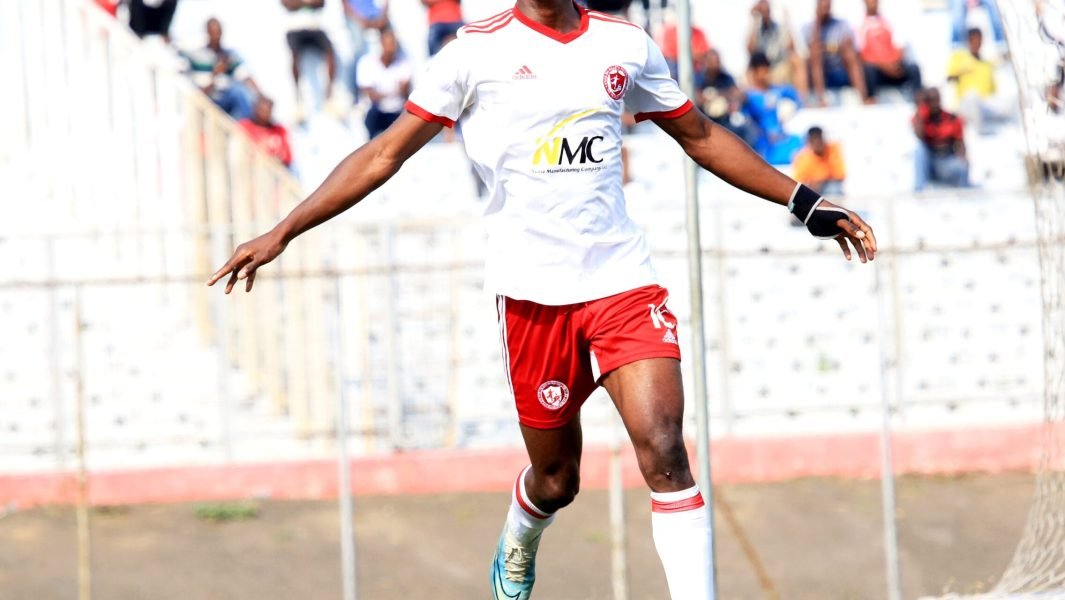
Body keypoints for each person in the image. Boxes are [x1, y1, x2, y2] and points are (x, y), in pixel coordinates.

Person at [206, 3, 876, 600]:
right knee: (558, 480)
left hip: (621, 282)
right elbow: (384, 154)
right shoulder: (474, 53)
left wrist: (803, 201)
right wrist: (283, 230)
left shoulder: (625, 45)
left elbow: (698, 134)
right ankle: (524, 529)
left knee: (664, 446)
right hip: (532, 299)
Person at [184, 18, 261, 121]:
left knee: (241, 92)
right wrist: (216, 74)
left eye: (218, 32)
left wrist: (261, 96)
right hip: (209, 100)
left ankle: (250, 127)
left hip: (228, 100)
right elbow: (199, 93)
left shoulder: (229, 55)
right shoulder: (197, 57)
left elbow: (246, 76)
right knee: (237, 92)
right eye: (213, 33)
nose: (216, 36)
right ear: (207, 33)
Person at [800, 0, 870, 106]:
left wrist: (828, 47)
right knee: (816, 55)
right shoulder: (807, 27)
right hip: (819, 73)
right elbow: (810, 50)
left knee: (850, 54)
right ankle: (821, 99)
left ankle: (863, 98)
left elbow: (848, 45)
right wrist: (818, 24)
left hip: (840, 70)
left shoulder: (842, 25)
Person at [744, 52, 803, 165]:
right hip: (763, 142)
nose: (765, 74)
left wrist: (788, 113)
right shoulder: (748, 96)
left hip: (781, 137)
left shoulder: (777, 90)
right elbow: (748, 122)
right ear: (754, 72)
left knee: (803, 143)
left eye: (767, 70)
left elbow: (799, 100)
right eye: (762, 70)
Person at [947, 27, 1009, 132]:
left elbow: (993, 92)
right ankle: (980, 130)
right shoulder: (959, 58)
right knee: (972, 96)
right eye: (973, 39)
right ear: (968, 41)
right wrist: (963, 69)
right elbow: (949, 78)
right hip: (965, 105)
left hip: (985, 105)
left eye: (978, 39)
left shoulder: (987, 64)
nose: (976, 43)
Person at [858, 0, 922, 100]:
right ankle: (870, 100)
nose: (873, 2)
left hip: (894, 69)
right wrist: (884, 66)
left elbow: (900, 46)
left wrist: (894, 65)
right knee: (869, 71)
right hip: (877, 72)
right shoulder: (859, 25)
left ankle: (919, 102)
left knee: (913, 68)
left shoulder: (889, 21)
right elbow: (861, 55)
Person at [283, 0, 338, 114]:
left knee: (331, 52)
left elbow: (321, 2)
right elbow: (287, 4)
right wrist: (307, 2)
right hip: (294, 28)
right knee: (294, 56)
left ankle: (329, 96)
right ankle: (298, 97)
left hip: (314, 28)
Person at [357, 28, 413, 139]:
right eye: (389, 43)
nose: (391, 47)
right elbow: (371, 95)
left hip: (396, 112)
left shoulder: (404, 62)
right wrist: (393, 92)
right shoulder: (367, 62)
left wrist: (383, 94)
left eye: (393, 43)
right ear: (381, 43)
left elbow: (404, 90)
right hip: (375, 113)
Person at [913, 88, 969, 190]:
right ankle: (920, 189)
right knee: (919, 150)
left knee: (962, 166)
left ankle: (963, 190)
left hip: (946, 162)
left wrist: (963, 161)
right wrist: (921, 109)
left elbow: (960, 144)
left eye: (936, 99)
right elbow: (919, 135)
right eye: (930, 100)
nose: (934, 103)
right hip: (929, 163)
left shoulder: (952, 119)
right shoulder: (921, 119)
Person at [343, 0, 391, 100]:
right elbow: (345, 4)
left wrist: (383, 16)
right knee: (358, 52)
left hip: (377, 17)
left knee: (390, 45)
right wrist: (360, 20)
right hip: (357, 19)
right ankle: (355, 97)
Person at [747, 0, 800, 86]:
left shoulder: (778, 28)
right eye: (762, 11)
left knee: (796, 59)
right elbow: (750, 50)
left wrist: (787, 22)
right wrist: (754, 20)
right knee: (751, 69)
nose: (765, 13)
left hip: (778, 67)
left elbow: (791, 48)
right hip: (761, 68)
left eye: (766, 10)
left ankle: (802, 97)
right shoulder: (756, 30)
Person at [239, 97, 293, 168]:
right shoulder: (244, 125)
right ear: (255, 109)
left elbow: (287, 158)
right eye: (262, 110)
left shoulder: (279, 131)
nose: (263, 114)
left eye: (267, 111)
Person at [792, 126, 845, 196]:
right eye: (814, 140)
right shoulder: (802, 157)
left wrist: (819, 180)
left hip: (829, 187)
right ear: (809, 141)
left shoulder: (833, 149)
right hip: (812, 191)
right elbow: (798, 182)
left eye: (819, 139)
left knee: (834, 188)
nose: (817, 143)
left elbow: (840, 175)